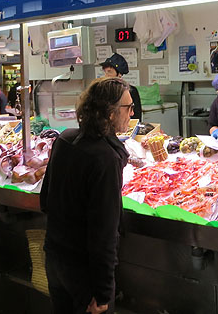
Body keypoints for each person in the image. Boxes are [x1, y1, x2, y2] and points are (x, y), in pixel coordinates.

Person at [41, 77, 131, 314]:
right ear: (110, 113)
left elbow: (45, 200)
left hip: (55, 261)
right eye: (128, 107)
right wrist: (102, 292)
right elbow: (104, 233)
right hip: (85, 274)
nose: (132, 113)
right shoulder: (105, 159)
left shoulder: (64, 139)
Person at [100, 53, 142, 121]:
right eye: (105, 72)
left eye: (109, 72)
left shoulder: (130, 91)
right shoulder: (101, 90)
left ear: (119, 74)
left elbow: (136, 118)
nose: (106, 76)